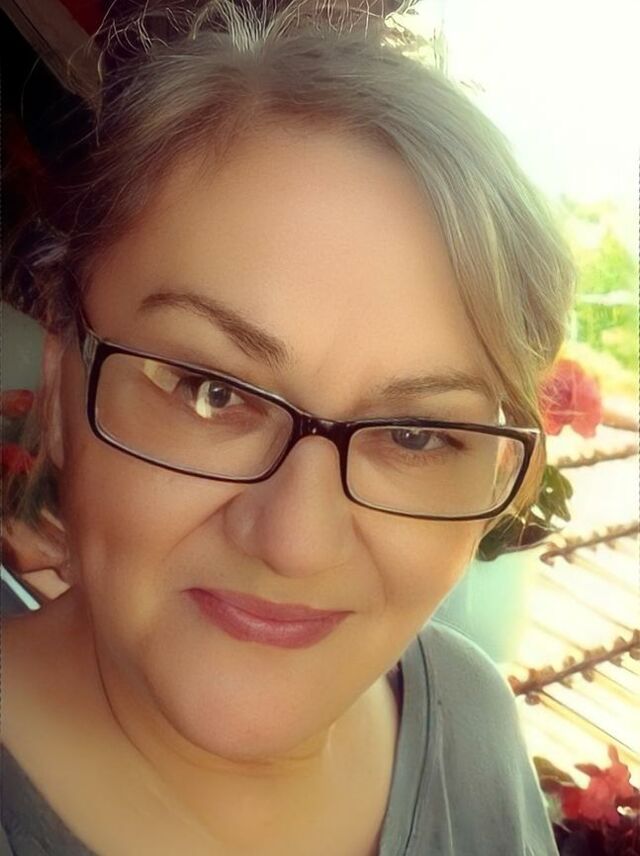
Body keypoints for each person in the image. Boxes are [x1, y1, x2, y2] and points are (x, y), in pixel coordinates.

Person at [1, 1, 576, 853]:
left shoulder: (468, 716)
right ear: (60, 384)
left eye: (415, 435)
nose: (296, 545)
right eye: (210, 391)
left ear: (500, 479)